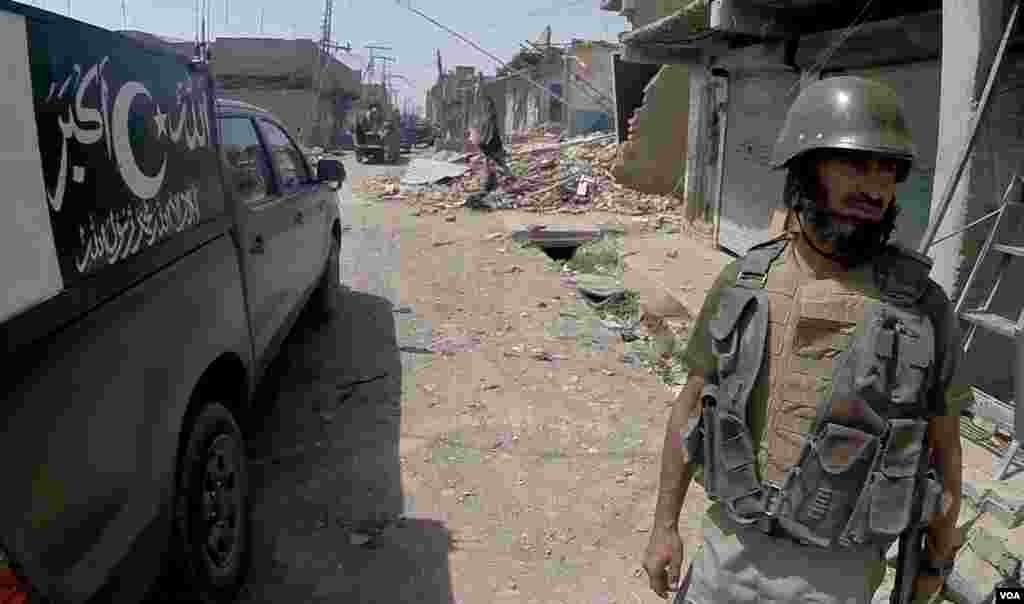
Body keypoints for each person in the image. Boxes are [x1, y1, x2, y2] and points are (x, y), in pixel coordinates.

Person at [641, 76, 965, 604]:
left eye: (888, 171)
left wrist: (936, 560)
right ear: (806, 169)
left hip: (837, 576)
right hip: (728, 552)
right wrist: (664, 526)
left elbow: (944, 446)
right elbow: (690, 409)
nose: (875, 189)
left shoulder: (922, 309)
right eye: (855, 165)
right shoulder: (744, 283)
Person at [468, 91, 512, 192]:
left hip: (491, 143)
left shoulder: (490, 117)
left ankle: (503, 179)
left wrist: (482, 140)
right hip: (488, 144)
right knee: (492, 162)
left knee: (496, 161)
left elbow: (491, 130)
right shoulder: (485, 117)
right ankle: (493, 182)